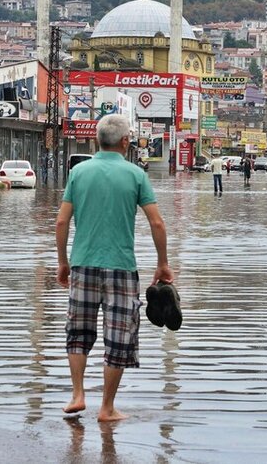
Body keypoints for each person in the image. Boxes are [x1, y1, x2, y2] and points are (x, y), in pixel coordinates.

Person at [55, 114, 174, 422]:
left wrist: (63, 262)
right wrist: (162, 263)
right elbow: (157, 223)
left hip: (83, 265)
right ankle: (107, 408)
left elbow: (62, 221)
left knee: (78, 331)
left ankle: (77, 394)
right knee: (119, 336)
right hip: (121, 268)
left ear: (97, 140)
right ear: (125, 141)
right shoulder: (136, 175)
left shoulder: (78, 172)